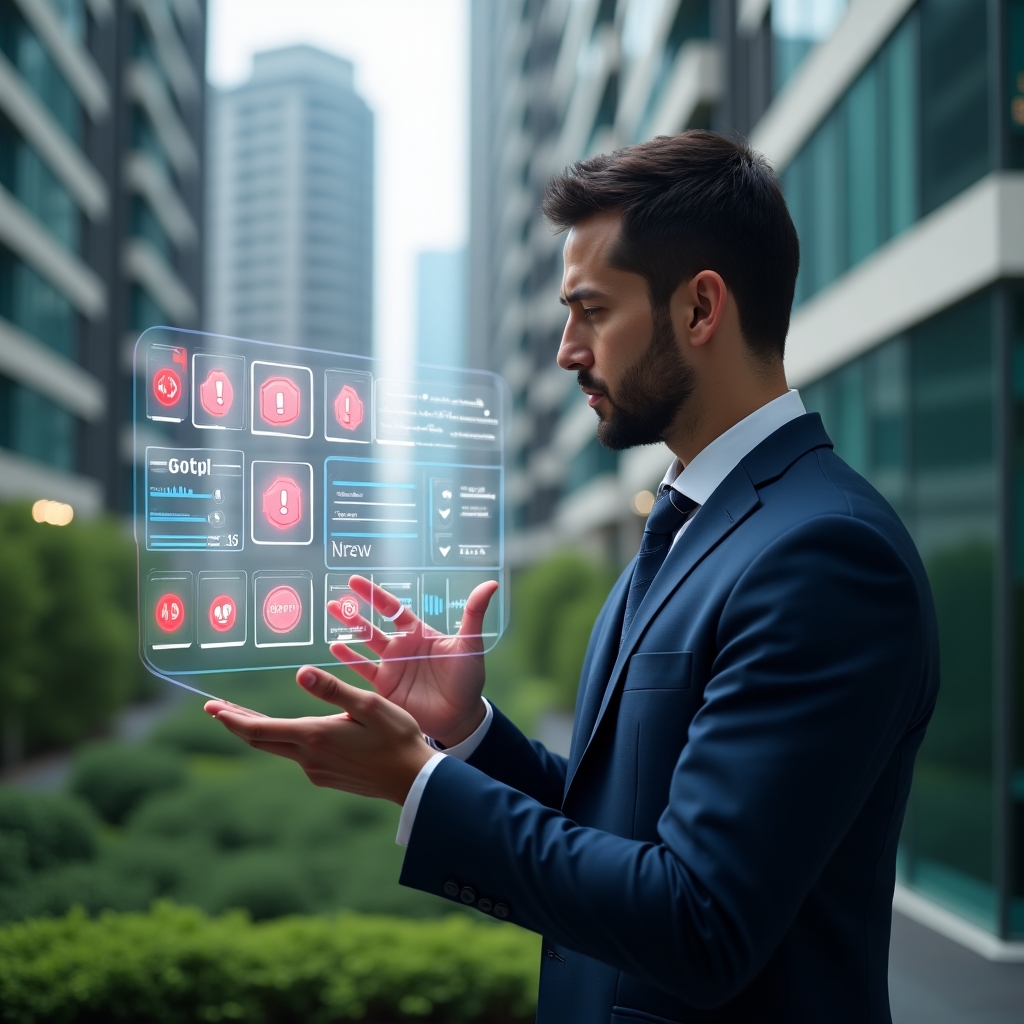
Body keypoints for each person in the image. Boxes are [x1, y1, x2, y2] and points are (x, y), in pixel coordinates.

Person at [206, 131, 939, 1023]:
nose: (566, 350)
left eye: (592, 311)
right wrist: (468, 737)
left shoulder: (827, 555)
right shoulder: (694, 521)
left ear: (700, 308)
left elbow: (700, 920)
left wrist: (421, 783)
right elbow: (619, 825)